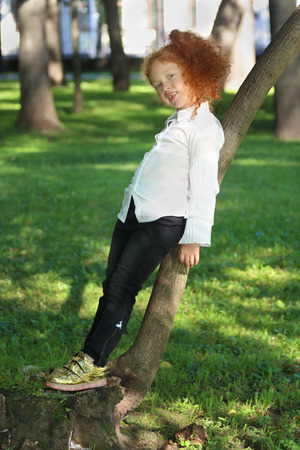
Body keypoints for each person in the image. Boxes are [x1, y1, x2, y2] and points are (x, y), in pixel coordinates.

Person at [46, 29, 230, 392]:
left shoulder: (205, 128)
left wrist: (194, 236)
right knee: (110, 285)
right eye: (159, 85)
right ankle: (92, 358)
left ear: (196, 70)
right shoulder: (178, 122)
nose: (166, 88)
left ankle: (92, 360)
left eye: (171, 77)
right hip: (132, 215)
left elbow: (206, 184)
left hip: (161, 222)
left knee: (121, 289)